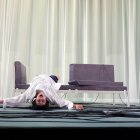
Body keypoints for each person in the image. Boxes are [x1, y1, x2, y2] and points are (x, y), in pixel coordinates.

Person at [0, 74, 84, 111]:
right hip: (49, 79)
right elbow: (62, 102)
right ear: (46, 99)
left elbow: (18, 99)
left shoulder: (30, 94)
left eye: (38, 101)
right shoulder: (51, 96)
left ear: (35, 99)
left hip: (38, 78)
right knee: (55, 76)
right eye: (42, 101)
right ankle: (56, 77)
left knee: (41, 76)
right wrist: (75, 105)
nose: (40, 99)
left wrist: (3, 101)